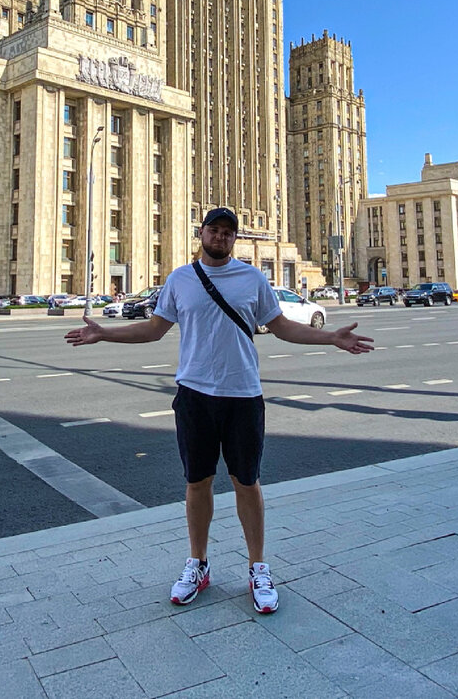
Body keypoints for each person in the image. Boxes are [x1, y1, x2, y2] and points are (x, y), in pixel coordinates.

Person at [64, 206, 373, 614]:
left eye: (228, 232)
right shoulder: (180, 279)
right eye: (215, 229)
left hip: (243, 395)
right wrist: (105, 334)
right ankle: (198, 564)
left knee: (247, 483)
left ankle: (257, 567)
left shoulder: (252, 278)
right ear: (202, 233)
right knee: (197, 483)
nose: (221, 237)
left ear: (234, 239)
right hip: (194, 395)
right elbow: (154, 329)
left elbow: (281, 327)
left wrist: (330, 337)